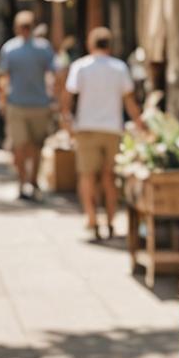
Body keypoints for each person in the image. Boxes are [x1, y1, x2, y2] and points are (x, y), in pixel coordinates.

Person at [61, 27, 144, 239]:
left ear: (91, 44)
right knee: (109, 177)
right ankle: (110, 220)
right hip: (112, 130)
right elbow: (129, 101)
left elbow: (67, 98)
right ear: (109, 45)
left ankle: (91, 217)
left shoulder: (80, 66)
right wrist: (140, 124)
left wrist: (67, 122)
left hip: (86, 128)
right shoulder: (119, 67)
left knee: (87, 176)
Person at [0, 10, 55, 200]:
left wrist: (2, 100)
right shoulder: (43, 48)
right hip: (35, 104)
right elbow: (55, 73)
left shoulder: (10, 48)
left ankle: (25, 183)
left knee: (23, 147)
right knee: (31, 147)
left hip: (21, 105)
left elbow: (4, 78)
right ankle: (29, 182)